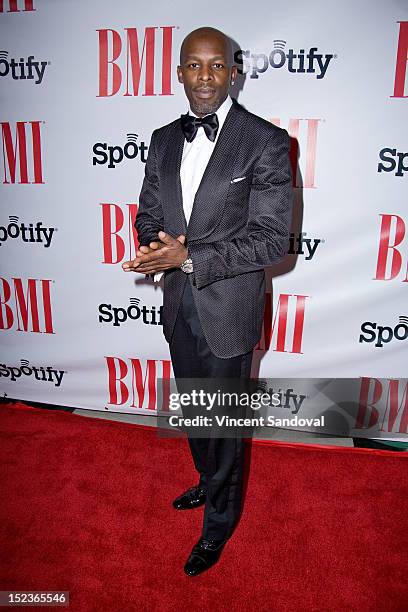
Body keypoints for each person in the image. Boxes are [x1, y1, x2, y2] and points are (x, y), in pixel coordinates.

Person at [122, 26, 293, 576]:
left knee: (222, 422)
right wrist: (155, 246)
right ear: (178, 73)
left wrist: (189, 258)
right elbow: (149, 208)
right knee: (195, 411)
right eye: (193, 66)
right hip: (178, 302)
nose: (204, 77)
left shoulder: (265, 141)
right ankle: (206, 481)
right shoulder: (163, 137)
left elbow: (271, 239)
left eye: (215, 66)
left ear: (234, 71)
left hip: (229, 304)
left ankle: (219, 523)